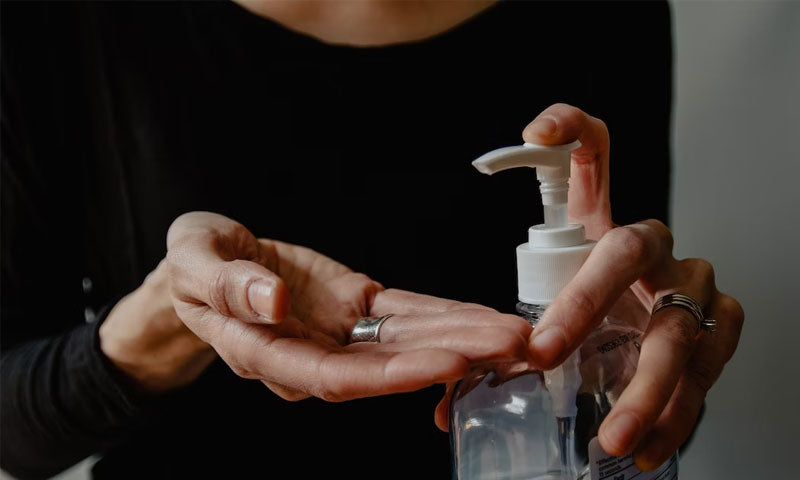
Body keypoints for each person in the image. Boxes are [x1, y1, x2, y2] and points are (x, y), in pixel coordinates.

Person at [0, 1, 743, 479]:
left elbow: (637, 424)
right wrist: (163, 323)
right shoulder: (63, 27)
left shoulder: (606, 15)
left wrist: (651, 347)